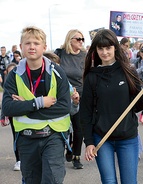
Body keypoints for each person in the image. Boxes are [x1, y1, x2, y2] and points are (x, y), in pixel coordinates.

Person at [80, 29, 143, 184]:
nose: (104, 52)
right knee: (109, 182)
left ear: (115, 47)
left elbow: (137, 106)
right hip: (102, 138)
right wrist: (88, 142)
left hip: (127, 137)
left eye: (108, 48)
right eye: (100, 48)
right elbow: (85, 112)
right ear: (95, 50)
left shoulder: (129, 71)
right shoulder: (91, 77)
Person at [2, 26, 71, 184]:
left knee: (52, 180)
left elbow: (64, 107)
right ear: (21, 47)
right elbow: (7, 108)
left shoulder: (57, 72)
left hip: (53, 137)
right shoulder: (13, 75)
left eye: (36, 43)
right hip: (26, 139)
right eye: (27, 43)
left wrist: (24, 109)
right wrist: (39, 103)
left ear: (44, 47)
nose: (32, 47)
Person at [54, 29, 86, 169]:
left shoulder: (85, 55)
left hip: (80, 94)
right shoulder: (60, 53)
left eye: (82, 39)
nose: (81, 41)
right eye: (78, 39)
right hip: (62, 95)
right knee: (65, 126)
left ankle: (76, 156)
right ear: (69, 40)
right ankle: (68, 147)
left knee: (79, 127)